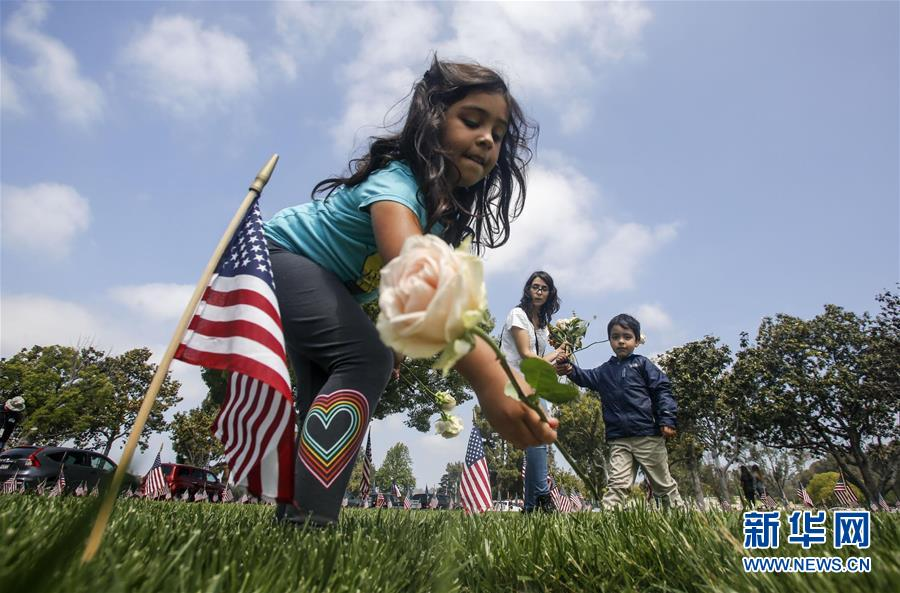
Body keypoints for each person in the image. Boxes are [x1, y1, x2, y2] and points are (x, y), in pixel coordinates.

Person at [263, 56, 551, 527]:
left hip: (332, 286)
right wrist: (489, 379)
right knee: (363, 359)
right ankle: (310, 522)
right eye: (472, 121)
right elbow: (414, 283)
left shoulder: (446, 222)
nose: (486, 139)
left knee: (331, 391)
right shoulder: (396, 184)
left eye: (498, 135)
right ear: (433, 122)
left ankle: (299, 523)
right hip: (279, 255)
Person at [555, 313, 683, 509]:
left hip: (647, 435)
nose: (621, 341)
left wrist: (667, 419)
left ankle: (678, 515)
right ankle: (609, 520)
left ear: (637, 341)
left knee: (662, 484)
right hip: (619, 439)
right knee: (617, 484)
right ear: (610, 341)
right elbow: (585, 377)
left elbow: (662, 389)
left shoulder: (642, 365)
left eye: (627, 337)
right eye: (615, 337)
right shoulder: (605, 371)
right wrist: (569, 368)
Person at [499, 271, 564, 513]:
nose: (538, 291)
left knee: (537, 442)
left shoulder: (544, 327)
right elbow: (526, 355)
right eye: (535, 286)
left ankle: (531, 507)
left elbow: (541, 361)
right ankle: (543, 496)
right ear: (528, 290)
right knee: (539, 437)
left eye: (544, 288)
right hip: (515, 383)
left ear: (549, 294)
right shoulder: (518, 315)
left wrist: (561, 355)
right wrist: (555, 354)